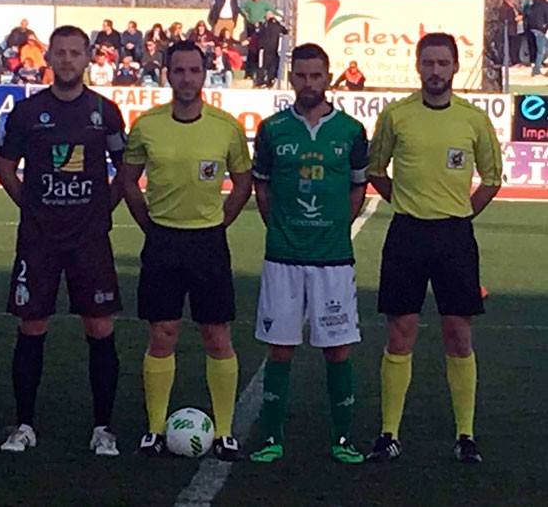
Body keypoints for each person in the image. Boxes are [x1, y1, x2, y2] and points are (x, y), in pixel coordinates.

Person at [365, 33, 503, 464]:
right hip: (407, 234)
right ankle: (389, 433)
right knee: (400, 332)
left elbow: (492, 179)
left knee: (458, 333)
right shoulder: (396, 115)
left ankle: (465, 435)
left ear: (455, 67)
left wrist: (459, 213)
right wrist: (407, 204)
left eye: (443, 63)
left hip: (454, 237)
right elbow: (376, 170)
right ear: (418, 66)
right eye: (428, 63)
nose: (435, 71)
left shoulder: (473, 119)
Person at [0, 26, 127, 456]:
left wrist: (99, 212)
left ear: (89, 58)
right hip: (39, 239)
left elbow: (124, 172)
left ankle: (103, 428)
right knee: (32, 325)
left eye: (76, 52)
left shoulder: (105, 112)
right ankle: (24, 425)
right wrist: (33, 207)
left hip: (90, 239)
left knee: (99, 326)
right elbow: (6, 169)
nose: (68, 59)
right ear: (48, 58)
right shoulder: (27, 113)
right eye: (61, 53)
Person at [123, 41, 253, 461]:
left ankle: (226, 431)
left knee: (217, 335)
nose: (186, 78)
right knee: (163, 334)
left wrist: (219, 221)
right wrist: (149, 226)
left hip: (208, 242)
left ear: (204, 74)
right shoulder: (147, 125)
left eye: (193, 70)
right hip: (163, 241)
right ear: (167, 74)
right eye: (177, 70)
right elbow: (128, 181)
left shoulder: (226, 126)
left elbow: (243, 182)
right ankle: (156, 429)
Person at [249, 43, 368, 465]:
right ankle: (271, 438)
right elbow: (261, 186)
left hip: (333, 258)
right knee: (280, 348)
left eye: (316, 75)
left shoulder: (351, 131)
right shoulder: (272, 129)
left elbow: (358, 187)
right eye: (300, 75)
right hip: (282, 256)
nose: (308, 83)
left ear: (328, 76)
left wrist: (338, 225)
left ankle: (342, 439)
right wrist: (278, 226)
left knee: (337, 348)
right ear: (291, 77)